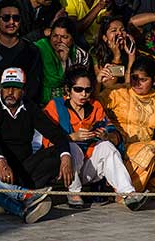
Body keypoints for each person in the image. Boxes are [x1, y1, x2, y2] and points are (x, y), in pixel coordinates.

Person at [43, 65, 146, 210]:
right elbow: (47, 139)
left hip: (89, 166)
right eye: (78, 89)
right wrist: (71, 137)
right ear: (68, 90)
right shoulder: (55, 106)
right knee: (70, 147)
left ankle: (128, 193)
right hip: (63, 168)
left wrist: (106, 136)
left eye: (88, 90)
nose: (83, 94)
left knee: (107, 147)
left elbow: (112, 130)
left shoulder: (95, 106)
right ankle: (74, 193)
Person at [0, 67, 73, 223]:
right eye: (6, 88)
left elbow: (55, 133)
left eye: (16, 88)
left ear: (23, 91)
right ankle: (26, 201)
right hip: (0, 167)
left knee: (60, 152)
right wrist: (1, 160)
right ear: (0, 88)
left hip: (25, 167)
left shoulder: (29, 106)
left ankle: (23, 194)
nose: (10, 92)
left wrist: (66, 157)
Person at [100, 56, 155, 193]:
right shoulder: (118, 92)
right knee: (151, 151)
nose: (137, 83)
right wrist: (98, 82)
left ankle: (154, 188)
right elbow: (93, 106)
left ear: (154, 80)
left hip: (145, 149)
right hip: (121, 148)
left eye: (143, 80)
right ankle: (125, 193)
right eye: (134, 78)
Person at [0, 0, 44, 103]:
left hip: (20, 107)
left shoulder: (32, 51)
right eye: (6, 18)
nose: (11, 22)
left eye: (16, 18)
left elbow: (34, 86)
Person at [35, 17, 90, 104]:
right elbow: (52, 81)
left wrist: (65, 62)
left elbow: (79, 84)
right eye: (55, 36)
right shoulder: (40, 48)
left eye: (64, 37)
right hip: (41, 102)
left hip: (71, 103)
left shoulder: (80, 55)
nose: (58, 41)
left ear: (72, 39)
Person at [92, 16, 137, 90]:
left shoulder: (131, 50)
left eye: (122, 30)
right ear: (105, 38)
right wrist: (117, 57)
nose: (119, 33)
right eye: (114, 30)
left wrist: (131, 56)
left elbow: (130, 83)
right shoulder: (96, 52)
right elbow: (108, 85)